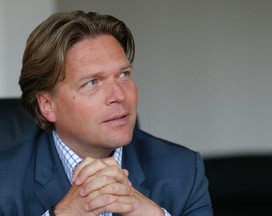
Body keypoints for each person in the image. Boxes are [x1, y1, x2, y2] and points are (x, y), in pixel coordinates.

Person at [0, 10, 213, 216]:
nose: (119, 95)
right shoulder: (4, 181)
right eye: (92, 82)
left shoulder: (184, 169)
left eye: (123, 74)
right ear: (47, 105)